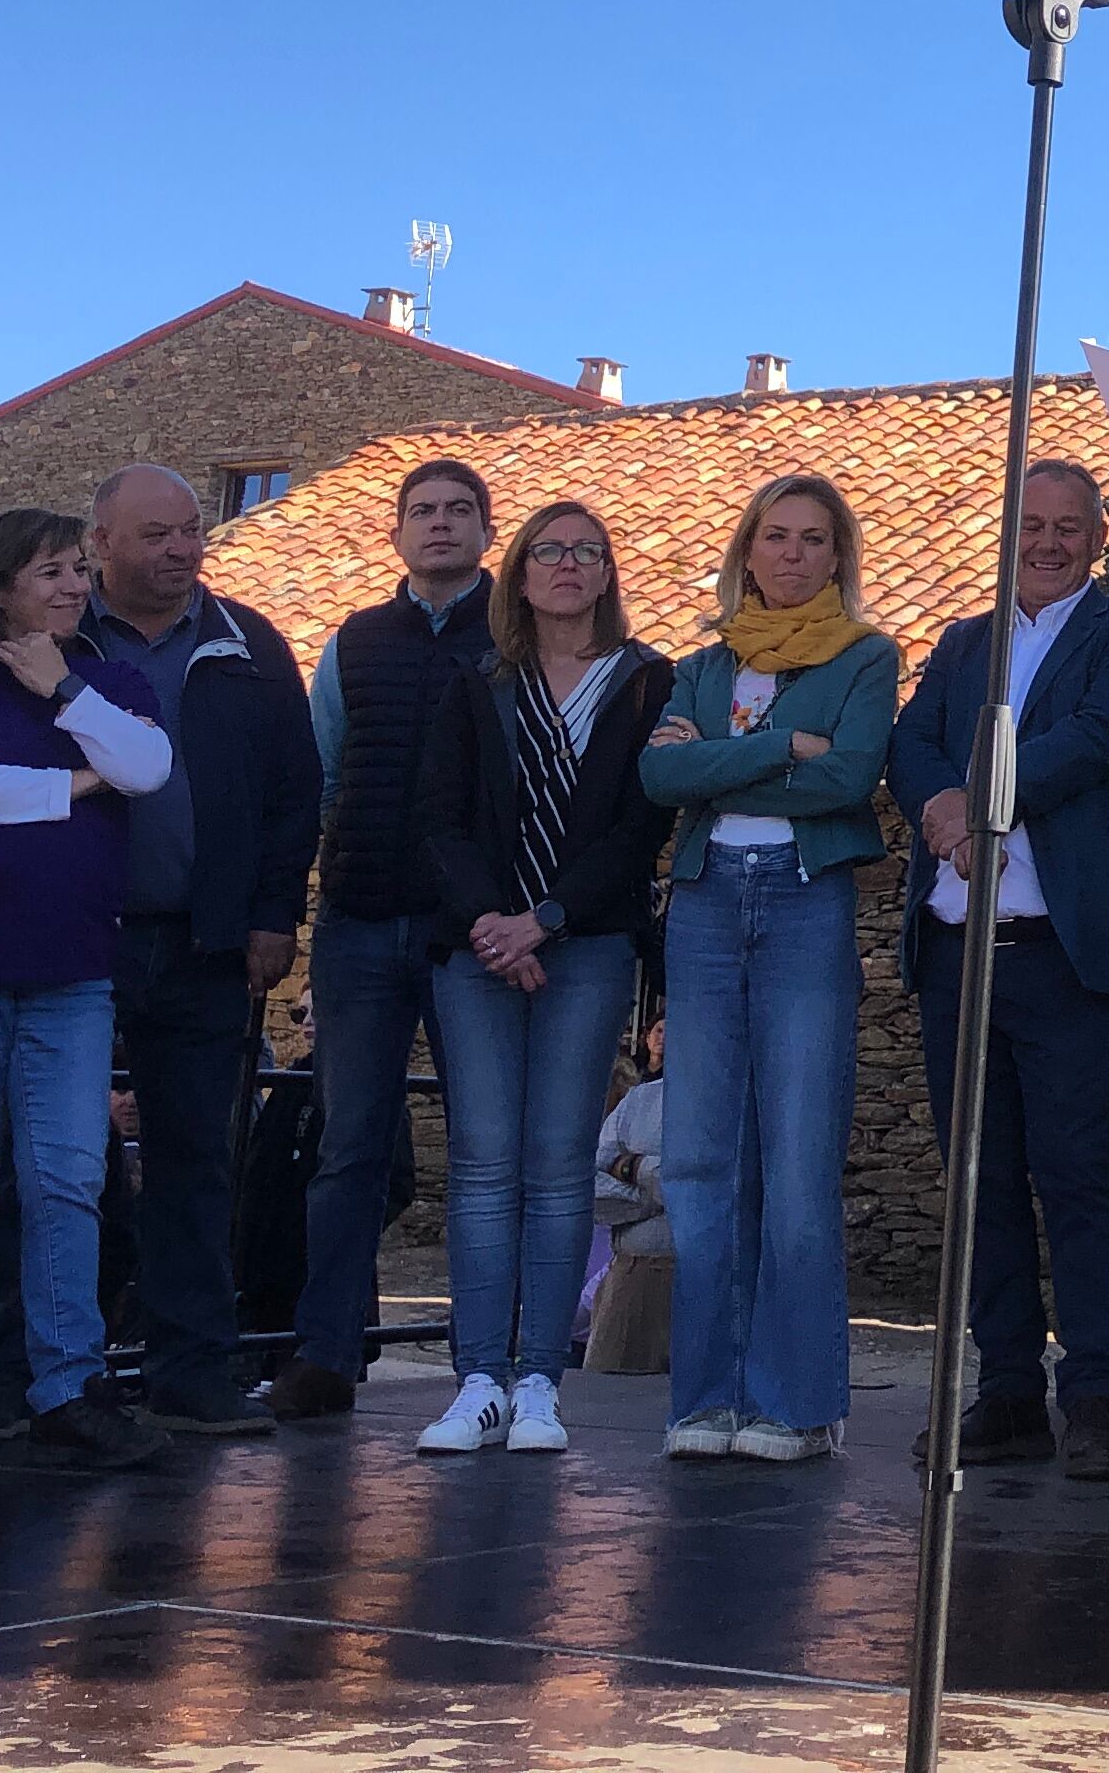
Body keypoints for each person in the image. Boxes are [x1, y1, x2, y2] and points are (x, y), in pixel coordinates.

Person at [888, 461, 1109, 1483]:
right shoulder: (964, 644)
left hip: (1060, 955)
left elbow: (1103, 740)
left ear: (1099, 540)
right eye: (1031, 524)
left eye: (1069, 527)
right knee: (981, 1183)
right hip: (955, 953)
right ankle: (1005, 1387)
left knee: (1080, 1181)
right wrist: (941, 804)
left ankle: (1094, 1395)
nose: (1048, 542)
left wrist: (982, 800)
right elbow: (910, 740)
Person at [0, 507, 177, 1471]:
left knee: (69, 1179)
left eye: (74, 572)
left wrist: (67, 696)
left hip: (71, 970)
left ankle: (70, 1386)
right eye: (48, 571)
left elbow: (146, 765)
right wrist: (75, 785)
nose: (71, 586)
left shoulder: (108, 679)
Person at [406, 499, 672, 1456]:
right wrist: (493, 925)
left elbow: (641, 826)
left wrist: (546, 921)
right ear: (518, 574)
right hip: (476, 949)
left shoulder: (647, 685)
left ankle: (538, 1387)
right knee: (482, 1165)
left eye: (587, 553)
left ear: (607, 575)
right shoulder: (476, 679)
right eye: (549, 552)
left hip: (588, 943)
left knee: (562, 1168)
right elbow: (435, 815)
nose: (567, 566)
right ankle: (476, 1374)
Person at [640, 474, 896, 1463]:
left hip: (801, 901)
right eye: (775, 536)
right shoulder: (704, 666)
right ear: (746, 551)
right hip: (705, 904)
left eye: (814, 540)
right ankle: (705, 1400)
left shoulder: (867, 658)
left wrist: (724, 757)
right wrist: (782, 742)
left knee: (796, 1158)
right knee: (701, 1160)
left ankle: (795, 1405)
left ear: (839, 558)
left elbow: (852, 780)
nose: (792, 554)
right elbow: (661, 778)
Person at [77, 463, 323, 1436]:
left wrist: (273, 916)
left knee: (194, 1162)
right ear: (101, 543)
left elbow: (293, 792)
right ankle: (54, 1372)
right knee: (58, 1160)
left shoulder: (250, 644)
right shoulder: (58, 632)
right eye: (157, 535)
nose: (183, 549)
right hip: (70, 939)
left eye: (191, 532)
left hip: (208, 943)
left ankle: (189, 1371)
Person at [273, 457, 496, 1420]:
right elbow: (321, 779)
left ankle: (490, 1362)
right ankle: (325, 1355)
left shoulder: (522, 640)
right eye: (422, 513)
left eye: (457, 511)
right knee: (347, 1147)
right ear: (397, 533)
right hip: (361, 925)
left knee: (489, 1153)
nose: (439, 526)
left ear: (489, 532)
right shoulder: (352, 643)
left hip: (471, 934)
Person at [584, 1013, 671, 1376]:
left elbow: (725, 1185)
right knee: (609, 1402)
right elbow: (591, 1184)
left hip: (712, 1276)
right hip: (635, 1274)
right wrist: (663, 1195)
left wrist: (632, 1168)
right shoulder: (638, 1103)